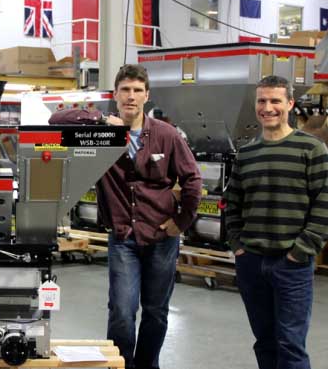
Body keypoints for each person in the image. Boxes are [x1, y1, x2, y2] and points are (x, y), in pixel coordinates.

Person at [49, 64, 201, 369]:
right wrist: (101, 120)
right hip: (123, 238)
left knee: (156, 311)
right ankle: (121, 365)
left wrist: (182, 221)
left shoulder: (166, 135)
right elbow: (56, 120)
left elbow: (193, 180)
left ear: (147, 95)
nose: (131, 96)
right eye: (125, 90)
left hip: (161, 237)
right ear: (115, 95)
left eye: (137, 90)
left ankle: (147, 364)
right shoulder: (103, 132)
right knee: (121, 310)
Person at [225, 75, 328, 369]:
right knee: (265, 342)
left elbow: (324, 203)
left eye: (275, 100)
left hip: (292, 265)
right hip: (251, 263)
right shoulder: (246, 153)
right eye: (262, 101)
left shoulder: (311, 149)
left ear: (290, 104)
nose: (267, 107)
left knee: (291, 346)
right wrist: (238, 245)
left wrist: (301, 250)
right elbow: (232, 203)